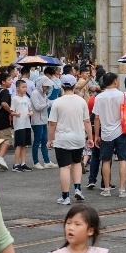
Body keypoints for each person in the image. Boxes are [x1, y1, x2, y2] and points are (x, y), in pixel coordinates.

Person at [48, 75, 91, 205]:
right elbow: (87, 121)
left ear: (62, 86)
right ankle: (78, 189)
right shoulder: (81, 101)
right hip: (79, 137)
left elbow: (52, 124)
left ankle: (65, 196)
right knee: (77, 163)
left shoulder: (57, 102)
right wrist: (90, 137)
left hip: (62, 138)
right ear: (74, 86)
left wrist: (50, 139)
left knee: (65, 167)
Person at [91, 72, 126, 198]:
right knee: (123, 160)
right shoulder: (123, 95)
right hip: (121, 131)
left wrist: (97, 135)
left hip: (106, 132)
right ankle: (122, 189)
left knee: (105, 160)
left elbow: (96, 118)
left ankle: (107, 188)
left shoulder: (99, 97)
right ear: (115, 81)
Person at [30, 78, 55, 169]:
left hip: (43, 119)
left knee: (44, 140)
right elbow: (37, 107)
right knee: (37, 141)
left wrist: (49, 103)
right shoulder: (35, 93)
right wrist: (49, 104)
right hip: (36, 120)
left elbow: (45, 104)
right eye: (46, 86)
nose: (47, 88)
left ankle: (47, 161)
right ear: (41, 85)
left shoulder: (43, 94)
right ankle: (35, 161)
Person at [10, 78, 33, 171]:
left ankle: (23, 163)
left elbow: (30, 109)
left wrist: (31, 113)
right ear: (17, 88)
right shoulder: (14, 99)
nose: (25, 89)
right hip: (19, 125)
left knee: (24, 145)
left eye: (26, 87)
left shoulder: (27, 99)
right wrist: (16, 114)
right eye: (23, 87)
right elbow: (11, 111)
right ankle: (16, 164)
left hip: (27, 123)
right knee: (19, 144)